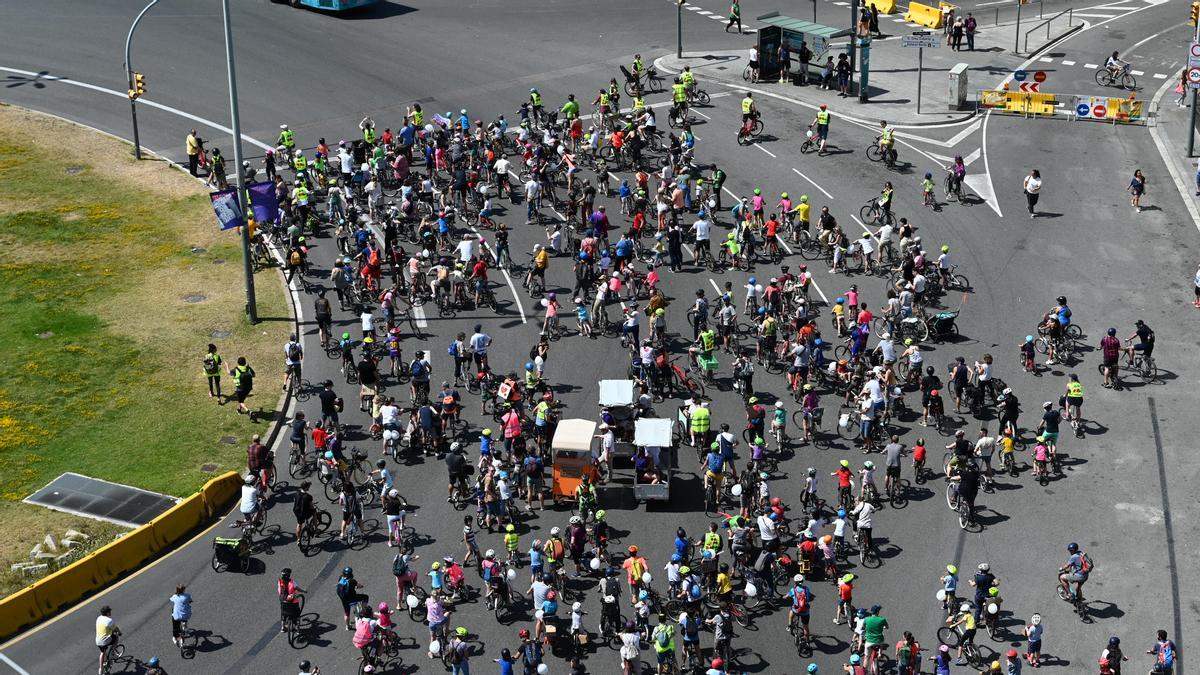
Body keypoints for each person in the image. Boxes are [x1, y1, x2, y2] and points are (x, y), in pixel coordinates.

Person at [96, 605, 121, 673]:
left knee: (102, 652)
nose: (110, 612)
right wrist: (119, 632)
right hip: (105, 640)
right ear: (107, 613)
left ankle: (101, 669)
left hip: (98, 641)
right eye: (109, 611)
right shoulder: (109, 620)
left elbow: (105, 629)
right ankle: (112, 652)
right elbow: (116, 629)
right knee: (116, 637)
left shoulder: (98, 618)